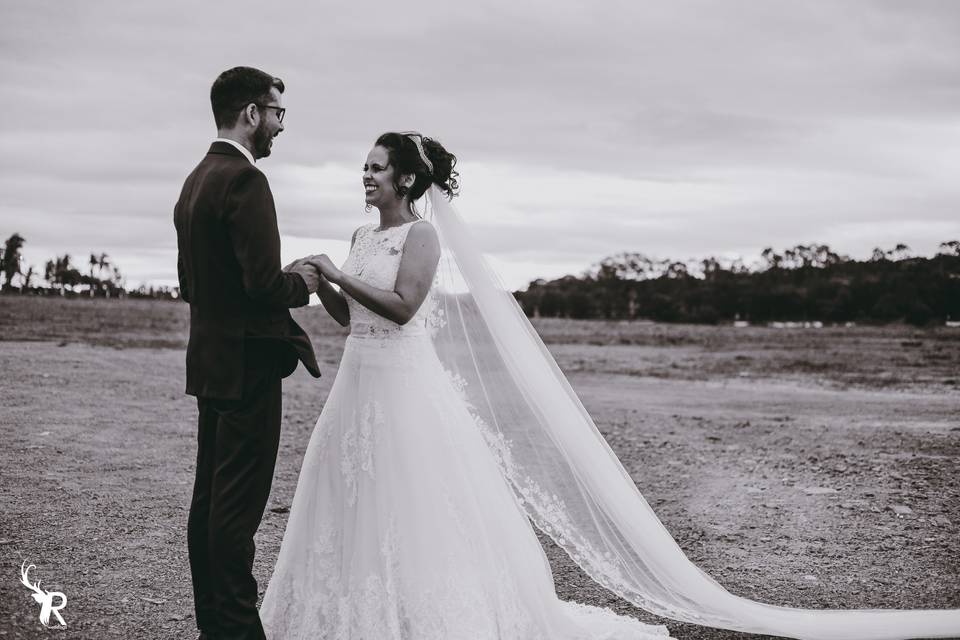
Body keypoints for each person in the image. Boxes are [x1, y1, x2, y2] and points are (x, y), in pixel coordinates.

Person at [259, 132, 960, 639]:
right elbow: (355, 318)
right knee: (353, 491)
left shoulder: (420, 239)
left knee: (411, 498)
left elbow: (407, 308)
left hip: (407, 389)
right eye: (365, 167)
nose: (366, 176)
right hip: (361, 381)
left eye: (377, 168)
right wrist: (323, 285)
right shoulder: (358, 235)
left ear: (408, 181)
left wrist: (338, 271)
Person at [174, 66, 324, 640]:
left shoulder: (195, 180)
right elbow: (263, 286)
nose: (281, 126)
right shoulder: (246, 181)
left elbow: (192, 283)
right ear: (253, 113)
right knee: (235, 515)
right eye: (278, 113)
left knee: (209, 505)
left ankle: (215, 626)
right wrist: (303, 282)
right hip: (248, 368)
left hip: (210, 363)